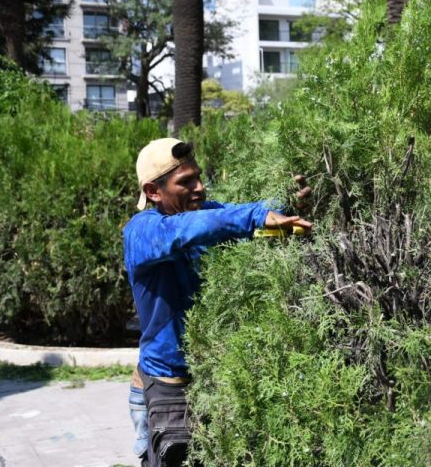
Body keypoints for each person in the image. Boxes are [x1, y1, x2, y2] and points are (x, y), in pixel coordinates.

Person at [124, 138, 312, 467]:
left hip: (207, 377)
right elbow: (193, 228)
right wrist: (256, 215)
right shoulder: (142, 231)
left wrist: (286, 200)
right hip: (170, 386)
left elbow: (228, 216)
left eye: (198, 177)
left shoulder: (202, 214)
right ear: (154, 191)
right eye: (186, 182)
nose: (200, 188)